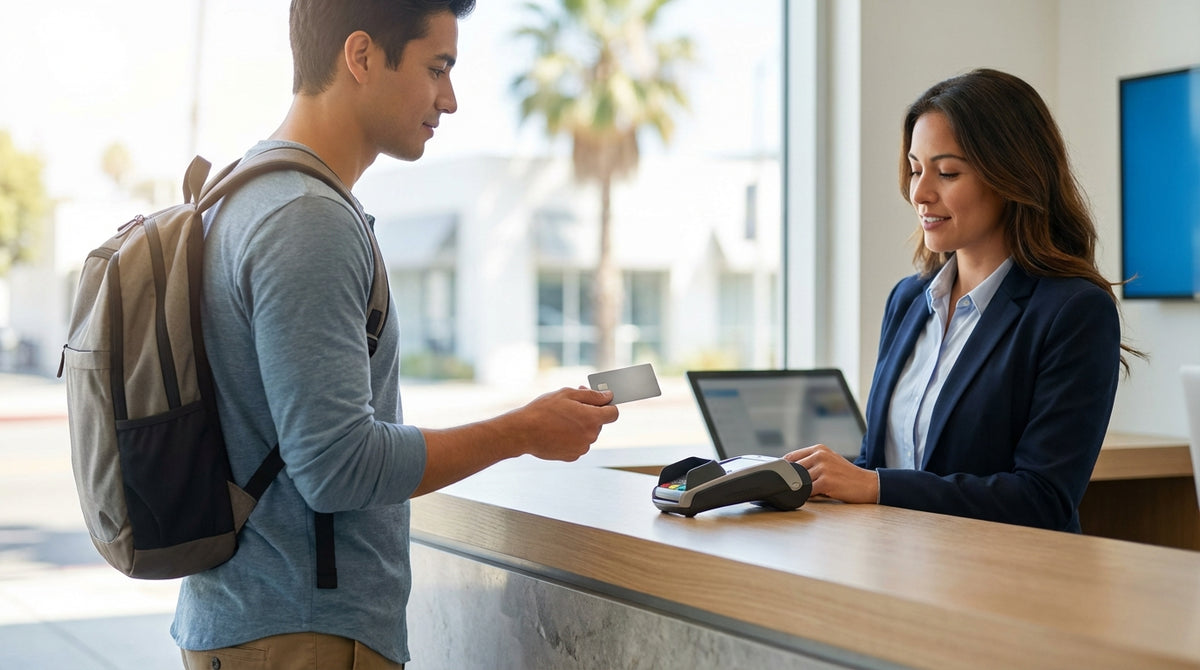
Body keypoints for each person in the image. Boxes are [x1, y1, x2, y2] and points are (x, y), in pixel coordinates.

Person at [171, 1, 620, 668]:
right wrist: (522, 432)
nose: (452, 99)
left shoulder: (245, 192)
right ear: (360, 57)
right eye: (437, 68)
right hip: (301, 635)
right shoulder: (306, 221)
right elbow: (337, 467)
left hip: (262, 625)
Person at [784, 68, 1141, 533]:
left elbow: (1043, 498)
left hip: (1001, 587)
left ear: (1011, 175)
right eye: (915, 169)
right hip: (891, 571)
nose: (920, 192)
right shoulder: (908, 299)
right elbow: (880, 460)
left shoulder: (1073, 311)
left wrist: (876, 485)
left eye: (946, 172)